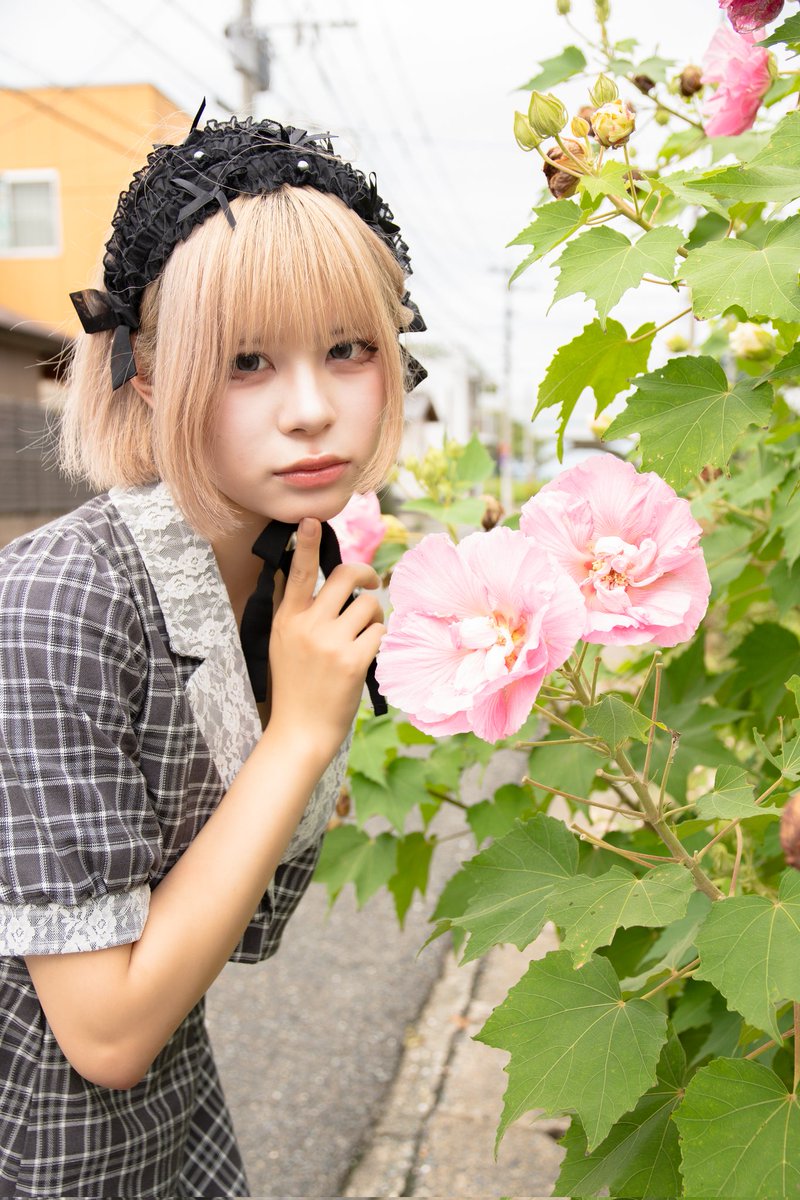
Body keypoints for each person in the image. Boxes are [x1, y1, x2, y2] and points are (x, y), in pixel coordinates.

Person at [0, 104, 426, 1198]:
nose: (310, 410)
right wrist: (296, 740)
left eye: (347, 350)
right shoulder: (60, 597)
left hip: (169, 1129)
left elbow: (245, 935)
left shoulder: (293, 573)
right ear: (145, 371)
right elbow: (103, 1032)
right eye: (245, 361)